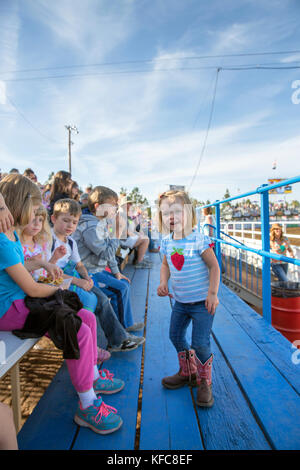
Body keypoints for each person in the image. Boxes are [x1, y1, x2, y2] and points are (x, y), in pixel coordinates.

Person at [0, 174, 124, 435]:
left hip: (21, 300)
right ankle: (87, 405)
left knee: (87, 318)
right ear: (15, 204)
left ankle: (92, 378)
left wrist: (44, 263)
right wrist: (59, 288)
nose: (38, 211)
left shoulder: (9, 233)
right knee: (74, 326)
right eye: (33, 206)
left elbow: (20, 268)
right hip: (8, 309)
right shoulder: (3, 239)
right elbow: (32, 288)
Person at [51, 198, 144, 351]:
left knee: (118, 288)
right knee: (100, 300)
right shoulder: (87, 228)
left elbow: (79, 265)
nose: (70, 225)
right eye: (66, 220)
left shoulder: (71, 241)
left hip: (82, 274)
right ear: (54, 219)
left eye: (74, 222)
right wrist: (116, 235)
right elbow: (106, 253)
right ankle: (115, 340)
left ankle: (121, 332)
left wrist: (87, 278)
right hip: (63, 280)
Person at [157, 190, 220, 408]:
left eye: (176, 212)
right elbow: (165, 265)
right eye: (166, 213)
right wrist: (163, 282)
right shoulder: (165, 242)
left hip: (202, 303)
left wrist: (212, 293)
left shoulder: (198, 239)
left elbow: (214, 266)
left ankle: (205, 382)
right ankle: (188, 372)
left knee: (200, 343)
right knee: (175, 335)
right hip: (181, 302)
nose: (171, 217)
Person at [73, 186, 145, 332]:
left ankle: (125, 324)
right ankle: (122, 328)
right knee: (120, 289)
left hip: (96, 269)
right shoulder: (90, 227)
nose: (116, 208)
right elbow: (106, 253)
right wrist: (117, 232)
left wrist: (116, 272)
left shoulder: (101, 223)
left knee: (123, 283)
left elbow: (109, 254)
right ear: (98, 207)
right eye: (112, 205)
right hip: (86, 273)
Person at [119, 199, 151, 268]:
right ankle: (139, 262)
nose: (130, 205)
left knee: (144, 236)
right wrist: (136, 235)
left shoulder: (127, 215)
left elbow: (132, 229)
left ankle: (138, 260)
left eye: (130, 204)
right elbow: (125, 232)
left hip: (126, 238)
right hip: (121, 240)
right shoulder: (120, 214)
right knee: (145, 239)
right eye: (128, 204)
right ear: (123, 205)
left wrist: (137, 233)